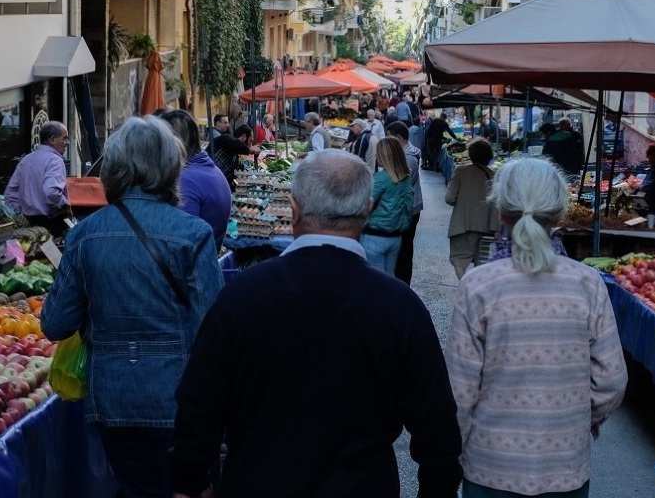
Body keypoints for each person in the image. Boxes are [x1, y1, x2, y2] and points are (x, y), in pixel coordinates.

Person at [169, 149, 463, 497]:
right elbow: (438, 429)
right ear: (367, 210)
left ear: (293, 209)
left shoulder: (241, 296)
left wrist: (191, 482)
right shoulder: (400, 307)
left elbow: (199, 403)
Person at [40, 116, 223, 498]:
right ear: (171, 167)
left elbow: (55, 323)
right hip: (177, 398)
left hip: (112, 398)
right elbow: (213, 331)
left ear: (115, 168)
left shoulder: (86, 234)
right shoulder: (193, 234)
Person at [445, 157, 627, 498]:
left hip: (490, 468)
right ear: (559, 215)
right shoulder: (586, 283)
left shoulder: (478, 285)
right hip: (565, 469)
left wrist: (454, 452)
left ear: (500, 212)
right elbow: (612, 380)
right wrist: (576, 420)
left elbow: (459, 392)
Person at [160, 109, 233, 245]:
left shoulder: (186, 181)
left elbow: (182, 244)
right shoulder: (210, 170)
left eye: (161, 142)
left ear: (174, 143)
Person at [3, 121, 71, 236]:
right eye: (64, 138)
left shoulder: (26, 160)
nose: (67, 142)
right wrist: (65, 204)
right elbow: (51, 193)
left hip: (26, 223)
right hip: (50, 223)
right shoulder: (55, 161)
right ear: (52, 140)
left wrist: (20, 216)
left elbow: (10, 195)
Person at [446, 138, 499, 280]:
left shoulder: (461, 171)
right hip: (487, 227)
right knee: (482, 264)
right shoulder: (494, 175)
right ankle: (477, 290)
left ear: (471, 154)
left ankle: (465, 288)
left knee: (459, 261)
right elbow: (497, 204)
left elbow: (449, 199)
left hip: (462, 225)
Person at [361, 138, 414, 275]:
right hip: (395, 238)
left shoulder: (381, 178)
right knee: (388, 278)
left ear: (383, 155)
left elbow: (365, 206)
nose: (376, 156)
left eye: (378, 153)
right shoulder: (405, 177)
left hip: (375, 237)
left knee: (375, 283)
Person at [387, 121, 423, 284]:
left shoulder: (407, 158)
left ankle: (402, 284)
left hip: (407, 210)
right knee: (403, 250)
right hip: (409, 208)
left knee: (403, 252)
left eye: (390, 138)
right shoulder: (408, 154)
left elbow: (398, 184)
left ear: (399, 137)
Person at [211, 125, 259, 190]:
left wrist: (256, 177)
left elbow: (241, 169)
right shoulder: (226, 139)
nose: (250, 145)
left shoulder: (235, 157)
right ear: (244, 137)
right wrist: (249, 150)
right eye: (250, 141)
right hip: (211, 183)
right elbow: (233, 143)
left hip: (220, 186)